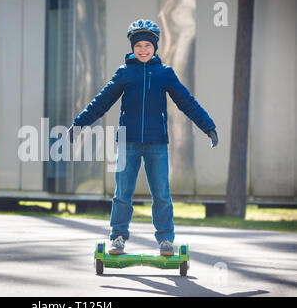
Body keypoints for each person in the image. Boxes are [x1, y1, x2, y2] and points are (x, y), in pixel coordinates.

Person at [68, 19, 218, 256]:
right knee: (122, 194)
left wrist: (208, 126)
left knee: (161, 195)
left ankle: (166, 240)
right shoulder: (125, 73)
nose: (143, 50)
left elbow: (187, 102)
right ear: (132, 47)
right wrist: (79, 125)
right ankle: (118, 238)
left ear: (155, 47)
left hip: (157, 143)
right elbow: (102, 101)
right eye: (138, 46)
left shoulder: (165, 74)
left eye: (148, 45)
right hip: (128, 143)